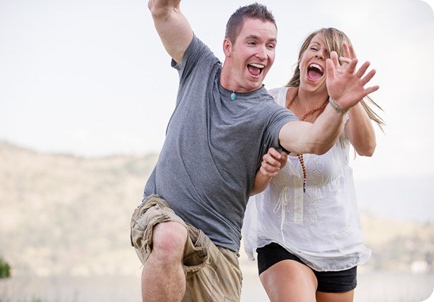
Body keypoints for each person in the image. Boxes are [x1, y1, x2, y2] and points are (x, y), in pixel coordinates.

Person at [130, 1, 379, 301]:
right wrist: (162, 7)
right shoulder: (199, 65)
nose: (263, 53)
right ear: (228, 46)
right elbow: (165, 13)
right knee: (169, 237)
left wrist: (340, 105)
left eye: (271, 45)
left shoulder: (268, 114)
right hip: (166, 211)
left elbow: (313, 139)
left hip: (220, 245)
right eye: (253, 42)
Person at [243, 27, 385, 302]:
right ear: (302, 56)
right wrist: (265, 168)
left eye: (333, 56)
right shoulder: (270, 102)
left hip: (336, 246)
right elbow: (247, 177)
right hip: (279, 240)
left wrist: (348, 99)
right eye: (315, 48)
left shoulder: (341, 113)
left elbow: (367, 148)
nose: (321, 56)